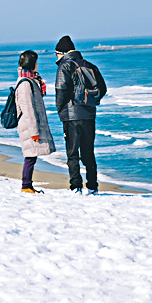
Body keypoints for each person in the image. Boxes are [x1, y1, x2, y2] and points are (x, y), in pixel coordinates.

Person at [54, 35, 107, 195]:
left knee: (72, 153)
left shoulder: (64, 66)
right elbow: (102, 89)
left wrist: (61, 110)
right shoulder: (89, 65)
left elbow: (61, 91)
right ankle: (92, 186)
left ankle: (76, 186)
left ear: (61, 53)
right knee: (88, 152)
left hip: (71, 116)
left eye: (56, 54)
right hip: (89, 115)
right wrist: (90, 102)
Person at [15, 50, 56, 194]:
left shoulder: (29, 80)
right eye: (36, 62)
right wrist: (34, 131)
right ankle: (26, 186)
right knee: (30, 156)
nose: (37, 65)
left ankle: (28, 185)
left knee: (31, 155)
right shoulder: (25, 83)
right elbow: (28, 108)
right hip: (28, 125)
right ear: (31, 64)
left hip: (30, 124)